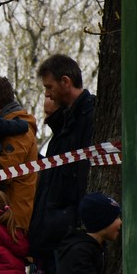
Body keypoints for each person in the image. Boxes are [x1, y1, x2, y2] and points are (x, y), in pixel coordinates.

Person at [30, 54, 96, 262]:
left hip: (70, 233)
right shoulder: (62, 125)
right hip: (55, 232)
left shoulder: (91, 117)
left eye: (49, 88)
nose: (48, 94)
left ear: (65, 82)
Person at [0, 75, 39, 228]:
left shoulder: (19, 130)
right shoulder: (6, 125)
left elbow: (3, 171)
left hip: (12, 223)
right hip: (2, 217)